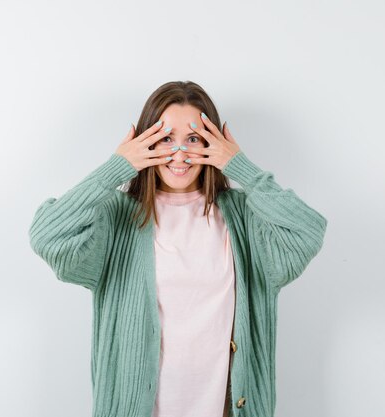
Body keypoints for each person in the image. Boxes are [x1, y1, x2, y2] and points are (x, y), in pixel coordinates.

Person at [28, 81, 328, 417]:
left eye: (194, 139)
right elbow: (47, 235)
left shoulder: (245, 217)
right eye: (166, 138)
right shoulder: (116, 217)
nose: (180, 153)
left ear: (214, 144)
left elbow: (308, 232)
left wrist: (243, 168)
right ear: (145, 141)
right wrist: (115, 169)